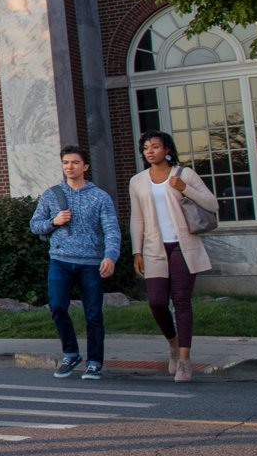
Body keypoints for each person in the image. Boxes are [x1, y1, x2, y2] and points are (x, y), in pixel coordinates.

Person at [126, 129, 219, 383]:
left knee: (181, 302)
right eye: (146, 147)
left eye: (155, 146)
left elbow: (213, 204)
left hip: (183, 245)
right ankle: (173, 344)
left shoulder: (184, 174)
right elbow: (137, 218)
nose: (150, 151)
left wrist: (186, 188)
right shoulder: (137, 181)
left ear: (167, 149)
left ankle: (185, 361)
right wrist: (137, 250)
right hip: (154, 247)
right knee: (156, 302)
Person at [29, 145, 121, 380]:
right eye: (66, 162)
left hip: (91, 262)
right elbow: (35, 225)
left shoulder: (99, 196)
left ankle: (94, 362)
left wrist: (110, 256)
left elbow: (111, 229)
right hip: (60, 260)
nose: (69, 166)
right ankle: (70, 353)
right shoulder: (52, 194)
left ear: (85, 167)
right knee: (58, 306)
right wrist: (54, 221)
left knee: (93, 313)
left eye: (75, 163)